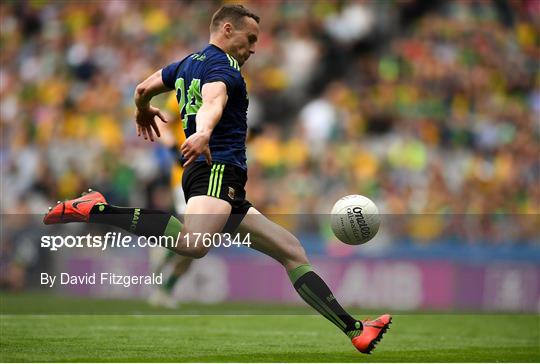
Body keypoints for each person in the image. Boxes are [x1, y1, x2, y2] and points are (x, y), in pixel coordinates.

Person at [44, 4, 391, 354]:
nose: (253, 48)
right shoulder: (225, 68)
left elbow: (141, 88)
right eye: (250, 38)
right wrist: (205, 131)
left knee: (292, 251)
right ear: (227, 30)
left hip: (225, 182)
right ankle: (97, 210)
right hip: (216, 168)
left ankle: (355, 330)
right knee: (195, 244)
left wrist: (142, 109)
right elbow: (214, 99)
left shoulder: (184, 64)